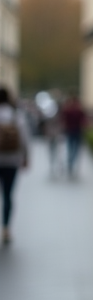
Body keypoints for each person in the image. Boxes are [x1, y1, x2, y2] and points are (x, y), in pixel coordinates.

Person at [0, 86, 31, 244]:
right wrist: (26, 157)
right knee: (8, 195)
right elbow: (24, 138)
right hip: (12, 160)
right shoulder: (16, 116)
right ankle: (6, 228)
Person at [61, 95, 87, 177]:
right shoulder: (75, 111)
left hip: (74, 132)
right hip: (73, 132)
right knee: (73, 149)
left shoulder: (71, 111)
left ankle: (71, 163)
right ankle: (71, 163)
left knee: (72, 149)